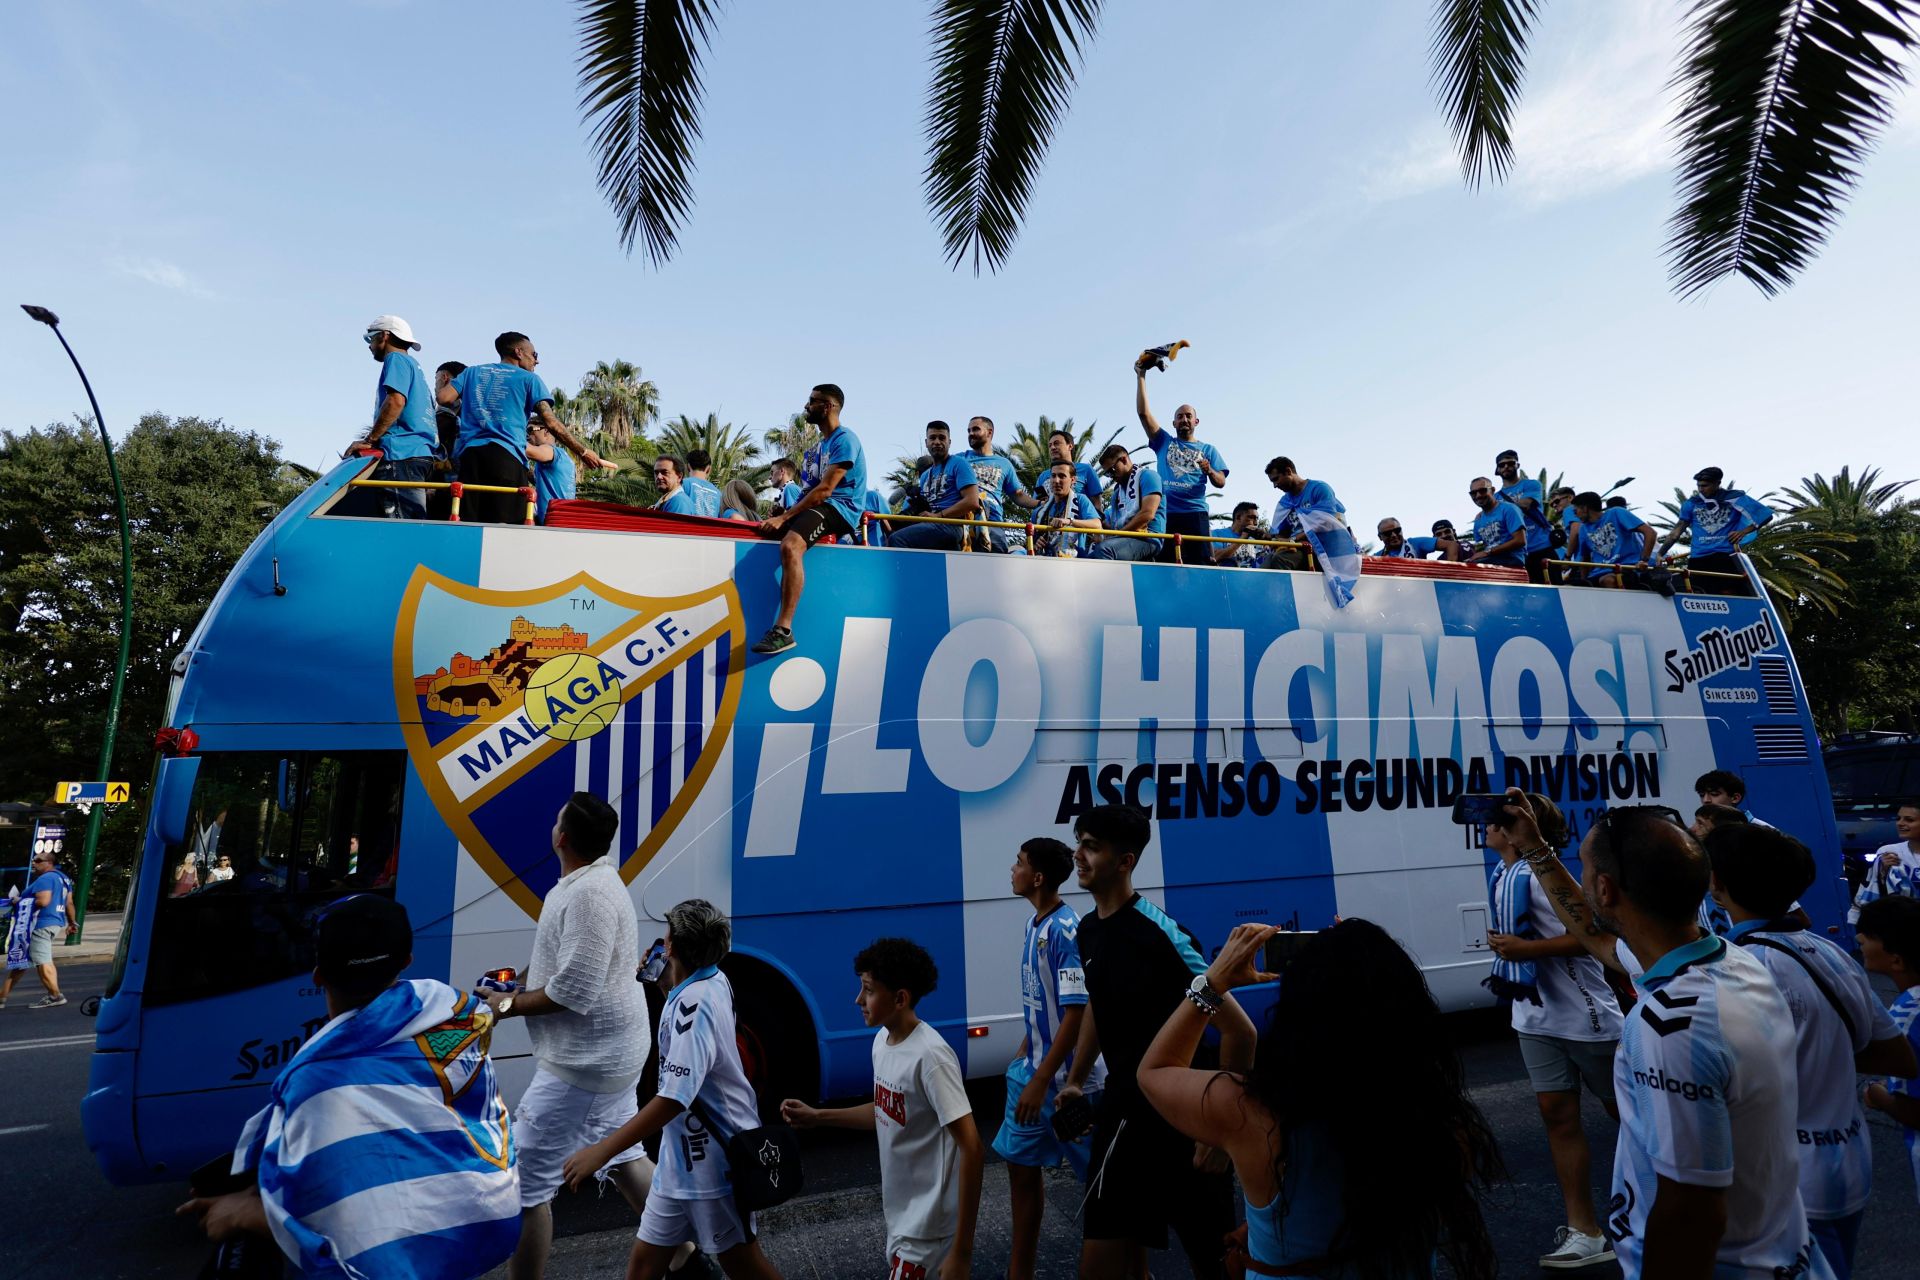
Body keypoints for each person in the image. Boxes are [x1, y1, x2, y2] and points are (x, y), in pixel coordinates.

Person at [1503, 792, 1834, 1280]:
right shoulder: (1728, 960)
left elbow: (1692, 1209)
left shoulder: (1672, 1023)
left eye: (1586, 870)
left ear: (1606, 889)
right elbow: (1597, 936)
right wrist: (1537, 849)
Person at [175, 895, 520, 1277]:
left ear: (318, 974)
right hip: (491, 1217)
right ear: (407, 962)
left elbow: (348, 1236)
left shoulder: (317, 1081)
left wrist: (251, 1215)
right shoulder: (459, 1017)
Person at [1139, 919, 1503, 1280]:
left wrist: (1213, 983)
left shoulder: (1250, 1112)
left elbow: (1154, 1071)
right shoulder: (1443, 1127)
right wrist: (1370, 958)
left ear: (1296, 1006)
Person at [1704, 824, 1915, 1278]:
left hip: (1786, 1180)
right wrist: (1824, 1052)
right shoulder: (1829, 951)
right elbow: (1897, 1057)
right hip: (1850, 1161)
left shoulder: (1737, 967)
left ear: (1716, 884)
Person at [1057, 804, 1250, 1280]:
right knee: (1100, 1268)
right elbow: (1100, 1006)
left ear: (1125, 862)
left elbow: (1239, 1031)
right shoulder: (1088, 930)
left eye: (1091, 847)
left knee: (1217, 1265)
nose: (1077, 856)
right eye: (1078, 842)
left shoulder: (1161, 936)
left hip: (1183, 1125)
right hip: (1122, 1119)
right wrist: (1078, 1080)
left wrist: (1221, 1134)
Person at [561, 901, 783, 1280]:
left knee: (744, 1267)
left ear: (676, 948)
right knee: (643, 1268)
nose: (661, 945)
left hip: (715, 1163)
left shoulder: (693, 1006)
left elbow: (672, 1099)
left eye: (666, 939)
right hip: (677, 1164)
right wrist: (666, 981)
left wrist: (601, 1151)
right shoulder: (710, 979)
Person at [485, 793, 655, 1280]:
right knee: (623, 1154)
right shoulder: (583, 883)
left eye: (557, 817)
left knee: (525, 1187)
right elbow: (562, 962)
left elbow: (573, 990)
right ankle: (685, 1258)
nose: (553, 822)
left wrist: (506, 1005)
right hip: (610, 1056)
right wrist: (514, 984)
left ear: (561, 837)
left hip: (586, 1065)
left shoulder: (589, 895)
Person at [782, 939, 983, 1280]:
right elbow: (886, 1111)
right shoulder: (882, 1042)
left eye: (868, 990)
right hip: (902, 1222)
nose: (858, 1000)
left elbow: (973, 1148)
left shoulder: (931, 1057)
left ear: (900, 998)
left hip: (930, 1231)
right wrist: (818, 1117)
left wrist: (961, 1253)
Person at [1481, 794, 1622, 1269]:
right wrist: (1511, 946)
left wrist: (1527, 949)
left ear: (1519, 829)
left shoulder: (1546, 879)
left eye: (1497, 822)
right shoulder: (1504, 875)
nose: (1488, 828)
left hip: (1587, 1017)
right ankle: (1585, 1230)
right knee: (1558, 1120)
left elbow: (1593, 937)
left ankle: (1661, 1203)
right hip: (1534, 1017)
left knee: (1632, 1115)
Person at [992, 838, 1104, 1280]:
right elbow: (1047, 1003)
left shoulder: (1066, 931)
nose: (1012, 868)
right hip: (1032, 1076)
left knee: (1101, 1187)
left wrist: (1042, 1079)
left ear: (1037, 877)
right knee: (1020, 1169)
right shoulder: (1033, 924)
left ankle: (1131, 1269)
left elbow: (1076, 1011)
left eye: (1018, 863)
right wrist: (1026, 1052)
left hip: (1070, 1088)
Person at [436, 332, 606, 525]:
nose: (537, 361)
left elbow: (444, 398)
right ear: (518, 352)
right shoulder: (529, 379)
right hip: (507, 459)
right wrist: (583, 451)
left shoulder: (472, 372)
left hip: (470, 459)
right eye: (534, 354)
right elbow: (550, 422)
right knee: (508, 527)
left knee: (471, 523)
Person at [753, 384, 867, 654]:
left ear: (827, 407)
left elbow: (825, 491)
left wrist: (788, 518)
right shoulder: (814, 450)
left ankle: (783, 630)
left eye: (812, 401)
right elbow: (808, 491)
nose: (806, 406)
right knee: (761, 533)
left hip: (840, 507)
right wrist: (783, 514)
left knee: (790, 546)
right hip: (819, 506)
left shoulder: (845, 440)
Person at [1858, 896, 1920, 1204]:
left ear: (1896, 960)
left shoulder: (1907, 1015)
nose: (1859, 939)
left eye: (1867, 937)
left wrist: (1879, 1096)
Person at [349, 316, 441, 519]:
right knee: (412, 523)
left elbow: (395, 402)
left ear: (384, 335)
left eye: (370, 338)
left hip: (401, 453)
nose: (370, 345)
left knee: (402, 526)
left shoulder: (396, 360)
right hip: (420, 453)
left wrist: (369, 440)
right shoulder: (413, 365)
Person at [1133, 367, 1227, 564]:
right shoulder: (1163, 442)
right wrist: (1141, 375)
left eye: (1188, 416)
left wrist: (1209, 470)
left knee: (1201, 565)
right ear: (1174, 423)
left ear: (1196, 421)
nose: (1184, 419)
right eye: (1180, 417)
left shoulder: (1209, 449)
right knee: (1166, 564)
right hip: (1166, 513)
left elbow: (1221, 482)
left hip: (1195, 514)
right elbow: (1143, 414)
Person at [1265, 457, 1361, 607]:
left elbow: (1328, 522)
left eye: (1276, 479)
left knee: (1281, 559)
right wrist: (1275, 541)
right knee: (1268, 560)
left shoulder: (1319, 488)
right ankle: (1264, 604)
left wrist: (1293, 541)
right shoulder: (1285, 502)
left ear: (1289, 471)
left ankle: (1282, 606)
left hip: (1325, 550)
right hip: (1298, 548)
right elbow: (1281, 533)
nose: (1275, 485)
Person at [1659, 467, 1773, 584]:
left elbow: (1765, 516)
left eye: (1705, 486)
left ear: (1717, 483)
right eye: (1699, 486)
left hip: (1724, 555)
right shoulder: (1692, 503)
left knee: (1728, 592)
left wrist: (1743, 532)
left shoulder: (1734, 498)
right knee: (1699, 592)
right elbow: (1675, 533)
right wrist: (1660, 554)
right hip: (1698, 557)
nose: (1701, 489)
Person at [0, 848, 74, 1009]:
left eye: (38, 861)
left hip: (39, 924)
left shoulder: (46, 879)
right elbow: (69, 903)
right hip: (54, 922)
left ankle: (55, 995)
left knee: (43, 960)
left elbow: (43, 901)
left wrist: (18, 900)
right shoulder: (64, 879)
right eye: (34, 860)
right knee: (21, 963)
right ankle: (2, 997)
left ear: (49, 863)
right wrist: (72, 923)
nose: (34, 863)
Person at [890, 421, 980, 551]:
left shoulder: (959, 464)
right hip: (931, 525)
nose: (937, 442)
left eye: (942, 438)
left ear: (949, 442)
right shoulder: (925, 475)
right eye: (932, 438)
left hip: (951, 525)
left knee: (897, 539)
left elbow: (972, 502)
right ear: (926, 442)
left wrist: (939, 516)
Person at [959, 416, 1035, 552]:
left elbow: (1018, 495)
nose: (971, 433)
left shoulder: (1004, 464)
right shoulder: (959, 459)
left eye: (975, 429)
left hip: (993, 523)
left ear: (989, 432)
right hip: (963, 521)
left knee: (997, 560)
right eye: (969, 430)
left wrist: (1039, 504)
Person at [1087, 445, 1164, 563]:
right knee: (1088, 555)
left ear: (1124, 459)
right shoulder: (1117, 492)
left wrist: (1119, 535)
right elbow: (1115, 526)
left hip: (1149, 538)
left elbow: (1147, 514)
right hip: (1126, 538)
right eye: (1107, 474)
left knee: (1105, 549)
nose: (1111, 477)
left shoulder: (1148, 476)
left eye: (1112, 470)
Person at [1850, 799, 1920, 925]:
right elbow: (1872, 890)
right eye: (1898, 818)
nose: (1900, 823)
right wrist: (1882, 871)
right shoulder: (1888, 851)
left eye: (1909, 820)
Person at [1566, 491, 1654, 589]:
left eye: (1575, 511)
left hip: (1626, 569)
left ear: (1585, 508)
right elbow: (1585, 558)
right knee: (1568, 588)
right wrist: (1584, 583)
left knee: (1607, 580)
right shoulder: (1583, 529)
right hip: (1597, 574)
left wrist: (1644, 560)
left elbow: (1650, 533)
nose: (1575, 515)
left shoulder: (1616, 512)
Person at [1494, 449, 1555, 583]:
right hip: (1518, 553)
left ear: (1517, 465)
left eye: (1510, 463)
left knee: (1556, 587)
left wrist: (1497, 510)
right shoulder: (1496, 497)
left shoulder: (1531, 484)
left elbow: (1526, 504)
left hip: (1541, 545)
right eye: (1502, 465)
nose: (1506, 467)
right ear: (1497, 470)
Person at [1031, 460, 1102, 558]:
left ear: (1073, 480)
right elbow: (1031, 543)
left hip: (1074, 562)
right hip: (1045, 563)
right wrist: (1036, 544)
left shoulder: (1080, 500)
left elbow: (1097, 524)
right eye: (1053, 476)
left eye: (1062, 476)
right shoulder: (1038, 512)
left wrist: (1069, 521)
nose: (1056, 480)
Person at [1460, 476, 1527, 570]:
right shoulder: (1478, 520)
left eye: (1482, 490)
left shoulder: (1509, 509)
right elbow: (1480, 547)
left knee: (1470, 568)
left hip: (1512, 559)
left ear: (1492, 490)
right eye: (1473, 493)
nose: (1478, 495)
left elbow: (1520, 541)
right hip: (1491, 560)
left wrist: (1488, 552)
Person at [527, 421, 576, 523]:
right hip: (563, 519)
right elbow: (544, 482)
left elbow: (527, 450)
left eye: (530, 430)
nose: (527, 435)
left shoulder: (550, 451)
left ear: (546, 431)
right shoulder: (563, 457)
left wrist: (510, 438)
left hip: (554, 521)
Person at [1045, 428, 1102, 506]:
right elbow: (1037, 504)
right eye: (1050, 445)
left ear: (1070, 446)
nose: (1052, 447)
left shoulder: (1086, 470)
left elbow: (1097, 504)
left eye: (1056, 443)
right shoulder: (1043, 476)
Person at [1695, 769, 1773, 827]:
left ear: (1735, 798)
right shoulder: (1701, 830)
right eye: (1702, 795)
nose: (1706, 800)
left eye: (1714, 794)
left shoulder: (1762, 831)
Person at [1212, 502, 1268, 567]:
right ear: (1238, 517)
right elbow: (1215, 557)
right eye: (1251, 517)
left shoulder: (1256, 540)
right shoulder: (1217, 534)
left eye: (1257, 518)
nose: (1255, 523)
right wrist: (1242, 538)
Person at [1372, 517, 1440, 560]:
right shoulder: (1376, 557)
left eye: (1397, 530)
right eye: (1387, 533)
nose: (1394, 535)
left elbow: (1450, 545)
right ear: (1380, 537)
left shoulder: (1415, 543)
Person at [683, 449, 725, 518]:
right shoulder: (719, 494)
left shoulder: (682, 484)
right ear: (708, 469)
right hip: (711, 528)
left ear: (688, 466)